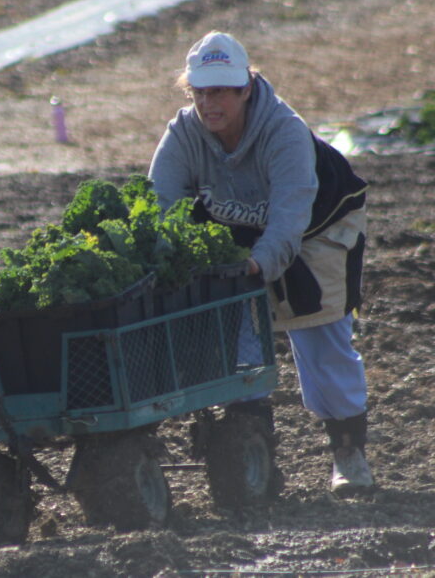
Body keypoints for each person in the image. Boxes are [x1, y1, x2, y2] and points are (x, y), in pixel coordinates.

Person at [148, 31, 374, 495]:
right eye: (200, 92)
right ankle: (254, 454)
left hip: (317, 227)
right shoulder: (184, 134)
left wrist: (258, 266)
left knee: (319, 334)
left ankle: (349, 455)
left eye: (220, 92)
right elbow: (159, 205)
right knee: (236, 336)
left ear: (246, 88)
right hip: (241, 230)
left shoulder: (283, 131)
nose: (209, 103)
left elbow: (290, 219)